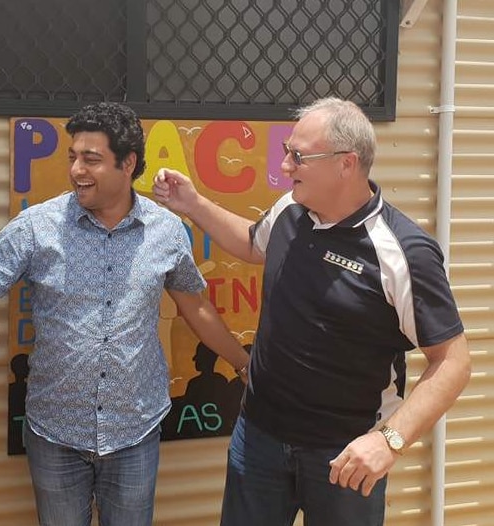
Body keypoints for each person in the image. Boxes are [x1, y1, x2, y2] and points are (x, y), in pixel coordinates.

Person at [153, 97, 471, 526]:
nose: (285, 166)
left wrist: (389, 441)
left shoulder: (403, 252)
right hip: (258, 440)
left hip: (344, 455)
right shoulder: (291, 210)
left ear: (346, 163)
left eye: (298, 156)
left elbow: (453, 361)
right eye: (287, 151)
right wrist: (192, 204)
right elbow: (252, 243)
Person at [0, 101, 250, 526]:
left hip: (133, 429)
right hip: (55, 431)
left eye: (91, 159)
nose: (77, 170)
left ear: (128, 163)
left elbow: (194, 306)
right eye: (72, 157)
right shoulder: (36, 227)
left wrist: (244, 363)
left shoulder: (166, 230)